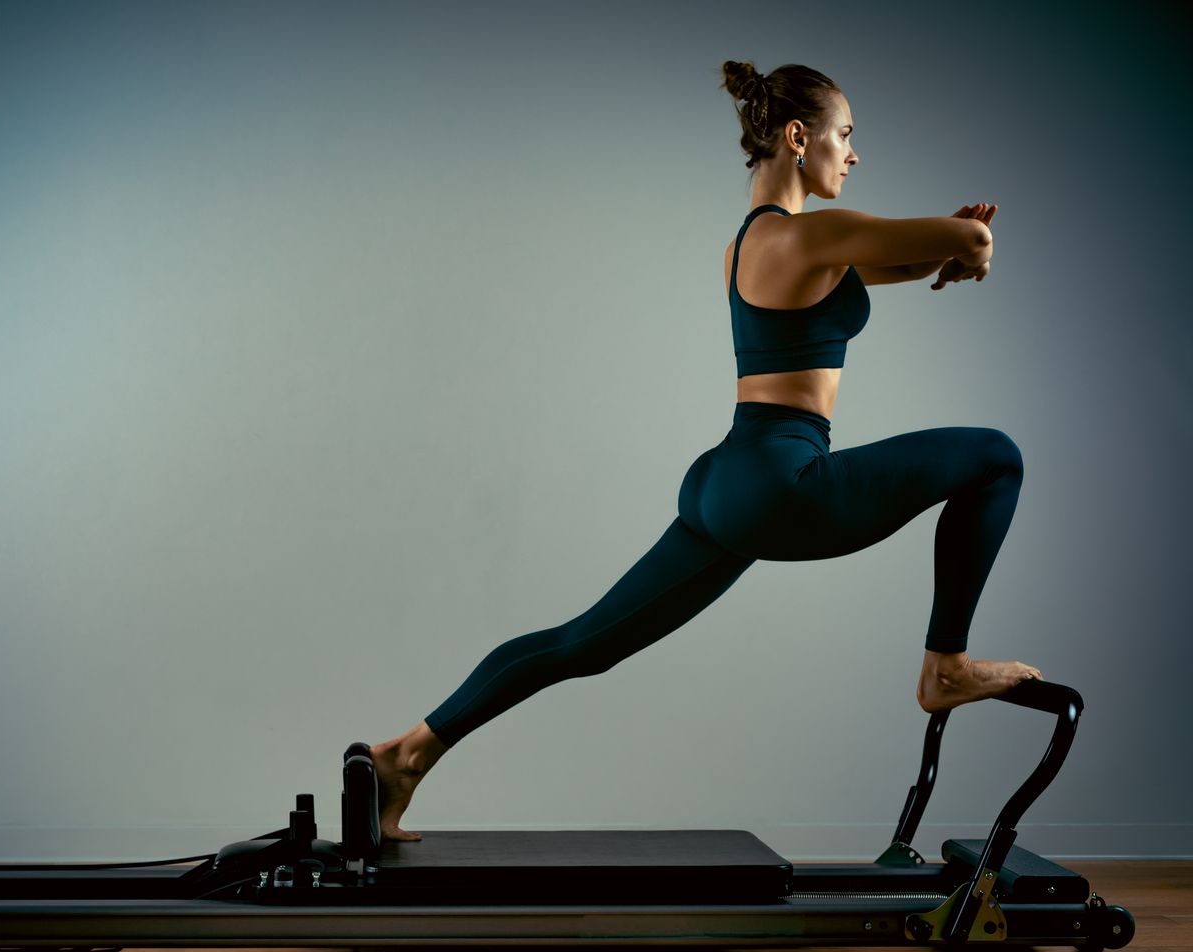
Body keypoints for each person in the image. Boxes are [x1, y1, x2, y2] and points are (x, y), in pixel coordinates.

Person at [369, 61, 1043, 843]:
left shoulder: (752, 246)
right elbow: (969, 236)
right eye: (846, 135)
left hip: (725, 482)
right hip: (786, 482)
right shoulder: (815, 233)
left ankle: (406, 755)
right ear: (799, 137)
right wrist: (972, 249)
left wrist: (947, 255)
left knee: (583, 643)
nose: (854, 155)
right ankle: (947, 666)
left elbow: (898, 261)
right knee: (997, 456)